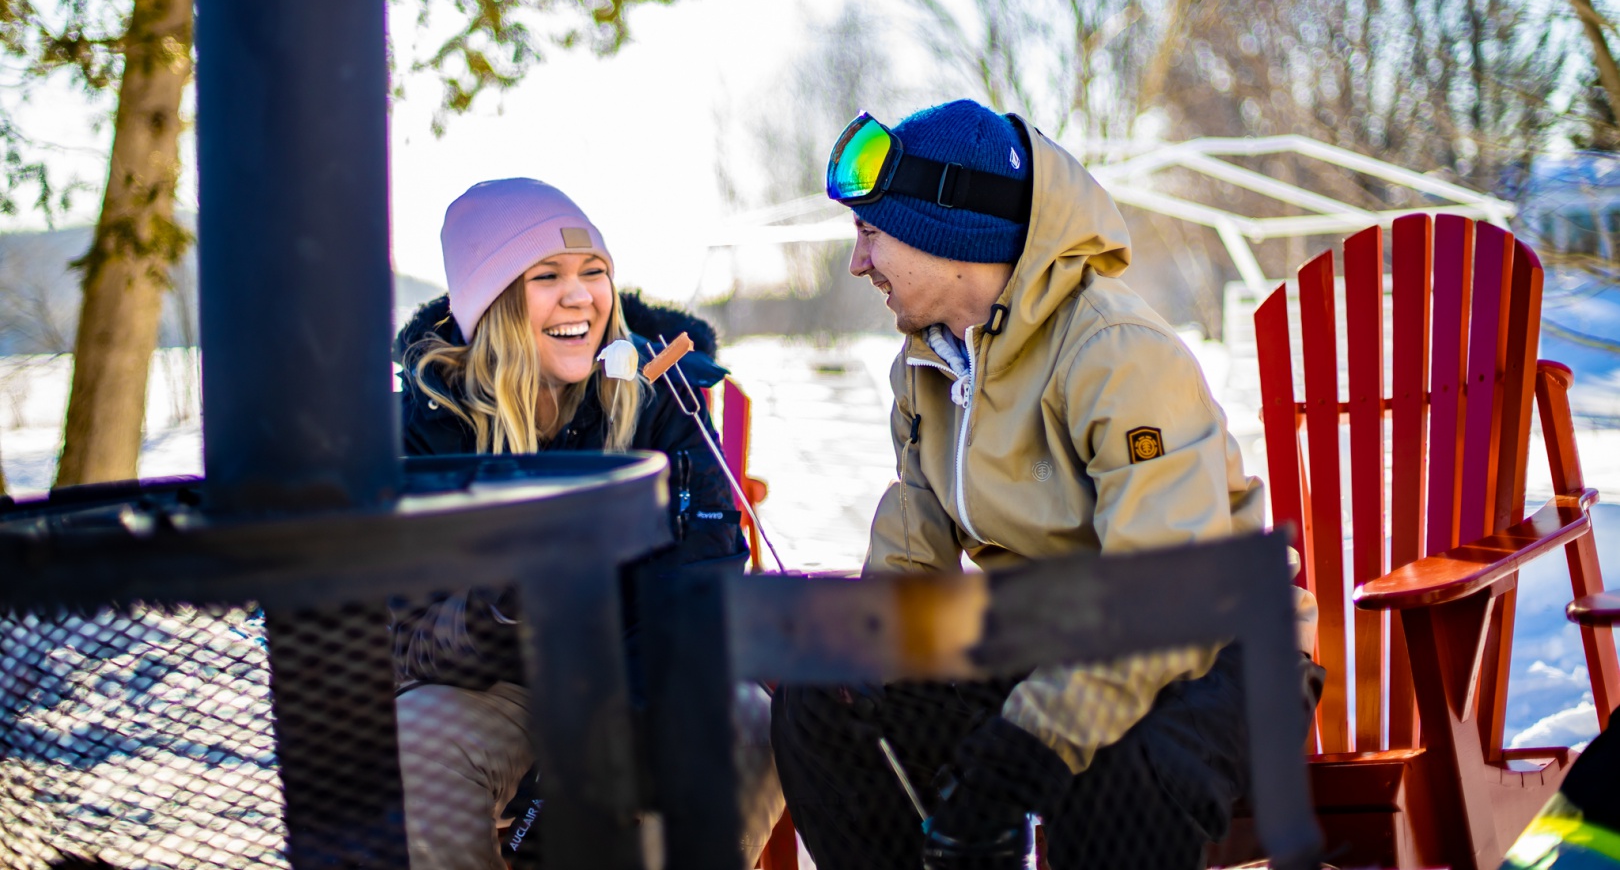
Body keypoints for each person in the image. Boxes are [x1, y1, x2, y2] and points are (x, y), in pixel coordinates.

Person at [770, 101, 1319, 869]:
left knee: (1114, 775)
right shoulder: (927, 363)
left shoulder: (1114, 350)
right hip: (1049, 644)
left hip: (1215, 653)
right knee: (828, 698)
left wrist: (1025, 744)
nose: (859, 264)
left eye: (870, 234)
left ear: (947, 230)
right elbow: (910, 570)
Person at [390, 177, 778, 870]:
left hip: (642, 685)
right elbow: (403, 637)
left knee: (743, 718)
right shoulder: (425, 426)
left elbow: (704, 589)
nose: (581, 297)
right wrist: (504, 609)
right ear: (494, 303)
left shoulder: (664, 399)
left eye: (593, 272)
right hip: (498, 693)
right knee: (418, 736)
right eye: (547, 276)